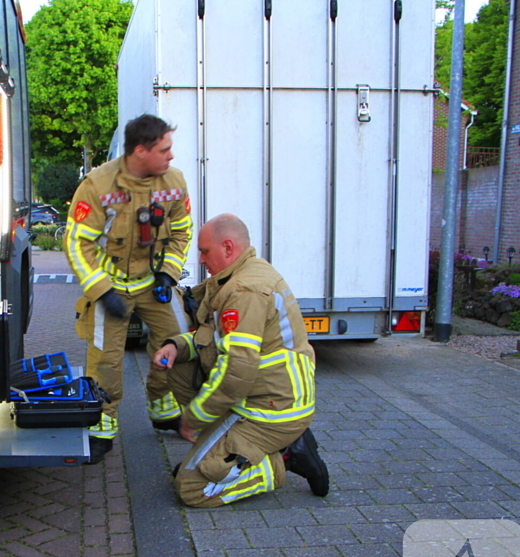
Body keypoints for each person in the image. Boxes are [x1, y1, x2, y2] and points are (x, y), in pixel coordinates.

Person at [152, 213, 329, 507]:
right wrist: (176, 346)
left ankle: (280, 461)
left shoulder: (244, 290)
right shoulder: (237, 277)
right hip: (264, 396)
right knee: (180, 369)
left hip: (271, 410)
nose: (202, 260)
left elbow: (235, 374)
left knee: (190, 490)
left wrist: (192, 419)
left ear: (228, 247)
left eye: (205, 251)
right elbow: (213, 340)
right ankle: (221, 454)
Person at [65, 115, 194, 463]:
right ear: (141, 150)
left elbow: (182, 230)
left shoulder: (174, 181)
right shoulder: (99, 186)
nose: (171, 156)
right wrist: (102, 292)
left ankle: (163, 407)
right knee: (105, 359)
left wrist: (168, 273)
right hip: (112, 289)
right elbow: (77, 244)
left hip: (154, 283)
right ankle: (102, 426)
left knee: (179, 340)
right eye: (164, 149)